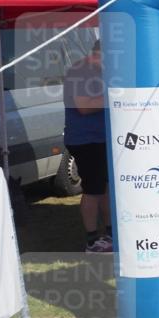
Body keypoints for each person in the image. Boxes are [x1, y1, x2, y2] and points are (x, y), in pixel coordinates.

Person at [63, 40, 112, 253]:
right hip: (86, 140)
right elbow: (83, 106)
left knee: (105, 187)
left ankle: (110, 233)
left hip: (100, 139)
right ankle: (92, 240)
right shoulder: (81, 71)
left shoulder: (97, 71)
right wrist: (115, 97)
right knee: (93, 189)